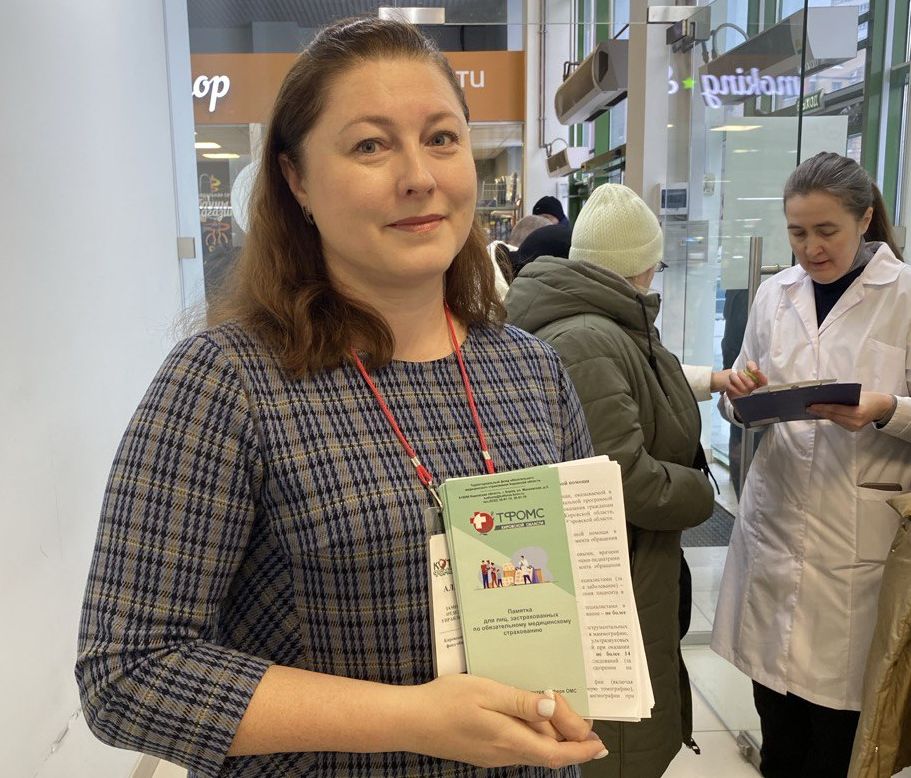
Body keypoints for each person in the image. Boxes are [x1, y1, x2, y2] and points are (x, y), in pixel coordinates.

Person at [75, 17, 609, 778]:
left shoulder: (532, 371)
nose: (418, 176)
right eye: (369, 146)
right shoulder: (227, 382)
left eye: (441, 138)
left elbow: (580, 599)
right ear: (296, 180)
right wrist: (410, 719)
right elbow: (126, 673)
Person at [506, 183, 719, 778]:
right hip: (616, 567)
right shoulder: (586, 339)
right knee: (615, 743)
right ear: (643, 265)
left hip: (635, 561)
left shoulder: (605, 326)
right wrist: (701, 491)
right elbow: (619, 478)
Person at [711, 151, 911, 778]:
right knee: (779, 727)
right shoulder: (776, 294)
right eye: (797, 232)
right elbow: (737, 395)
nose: (810, 249)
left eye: (827, 231)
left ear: (865, 218)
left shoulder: (904, 295)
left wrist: (885, 410)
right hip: (775, 529)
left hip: (859, 540)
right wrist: (740, 398)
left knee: (839, 738)